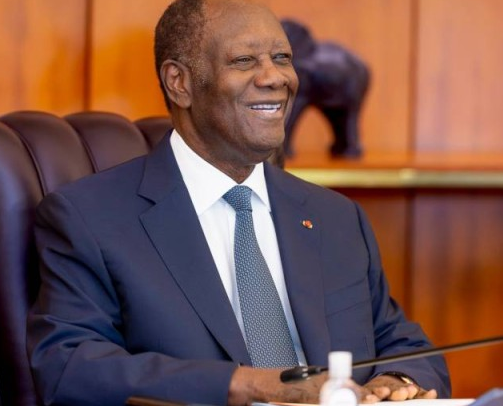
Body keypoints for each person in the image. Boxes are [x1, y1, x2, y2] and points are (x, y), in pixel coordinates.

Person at [27, 0, 450, 405]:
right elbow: (69, 366)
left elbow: (404, 343)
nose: (276, 77)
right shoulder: (90, 218)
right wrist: (247, 386)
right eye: (245, 61)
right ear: (179, 83)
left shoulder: (335, 217)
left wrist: (397, 382)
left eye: (282, 58)